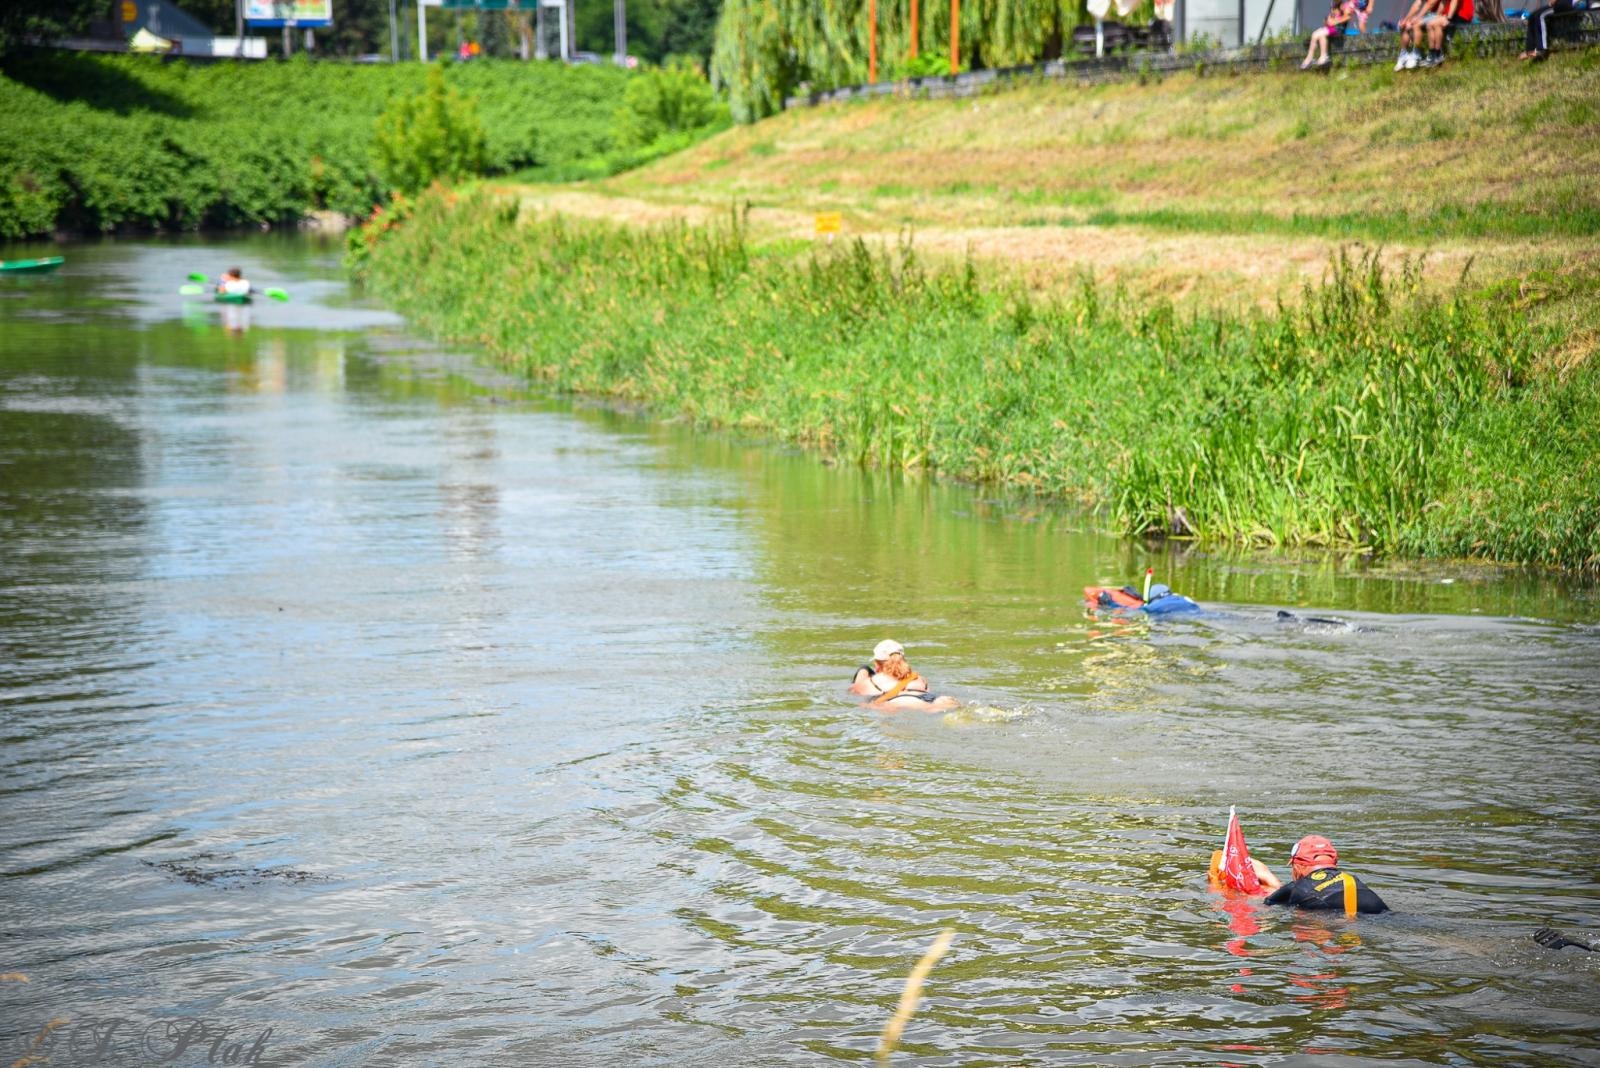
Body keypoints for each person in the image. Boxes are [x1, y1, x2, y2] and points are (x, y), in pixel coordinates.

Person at [1262, 835, 1389, 915]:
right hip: (1382, 915)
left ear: (1298, 866)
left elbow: (1264, 907)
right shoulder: (1352, 879)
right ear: (1334, 862)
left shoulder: (1294, 888)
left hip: (1337, 923)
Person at [849, 639, 958, 712]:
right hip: (930, 699)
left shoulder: (871, 682)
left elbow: (853, 692)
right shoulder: (919, 679)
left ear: (877, 663)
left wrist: (863, 671)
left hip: (897, 702)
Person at [1416, 0, 1473, 67]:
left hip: (1462, 14)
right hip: (1453, 13)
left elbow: (1455, 1)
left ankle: (1438, 54)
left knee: (1436, 24)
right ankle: (1432, 55)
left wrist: (1448, 19)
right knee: (1430, 24)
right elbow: (1443, 2)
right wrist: (1436, 16)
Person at [1303, 0, 1357, 67]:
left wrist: (1335, 21)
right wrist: (1327, 20)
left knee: (1319, 34)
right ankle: (1316, 57)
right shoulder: (1333, 4)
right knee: (1315, 34)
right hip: (1331, 28)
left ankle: (1315, 58)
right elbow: (1331, 16)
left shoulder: (1344, 6)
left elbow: (1348, 17)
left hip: (1338, 29)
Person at [1394, 0, 1440, 69]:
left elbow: (1430, 3)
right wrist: (1406, 20)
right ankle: (1403, 54)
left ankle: (1416, 53)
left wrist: (1418, 18)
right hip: (1429, 15)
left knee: (1415, 24)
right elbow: (1416, 5)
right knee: (1405, 24)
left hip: (1438, 15)